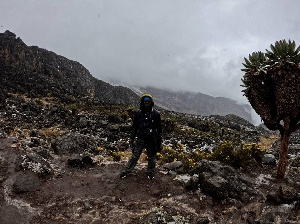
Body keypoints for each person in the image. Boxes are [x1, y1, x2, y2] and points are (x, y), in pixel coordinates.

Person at [120, 93, 162, 179]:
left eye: (148, 101)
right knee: (135, 156)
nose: (146, 102)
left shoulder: (156, 114)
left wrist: (159, 142)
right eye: (145, 101)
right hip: (140, 138)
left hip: (151, 139)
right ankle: (127, 171)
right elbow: (134, 127)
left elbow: (159, 129)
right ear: (142, 102)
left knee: (151, 157)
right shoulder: (138, 114)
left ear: (151, 102)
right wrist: (131, 138)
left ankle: (150, 172)